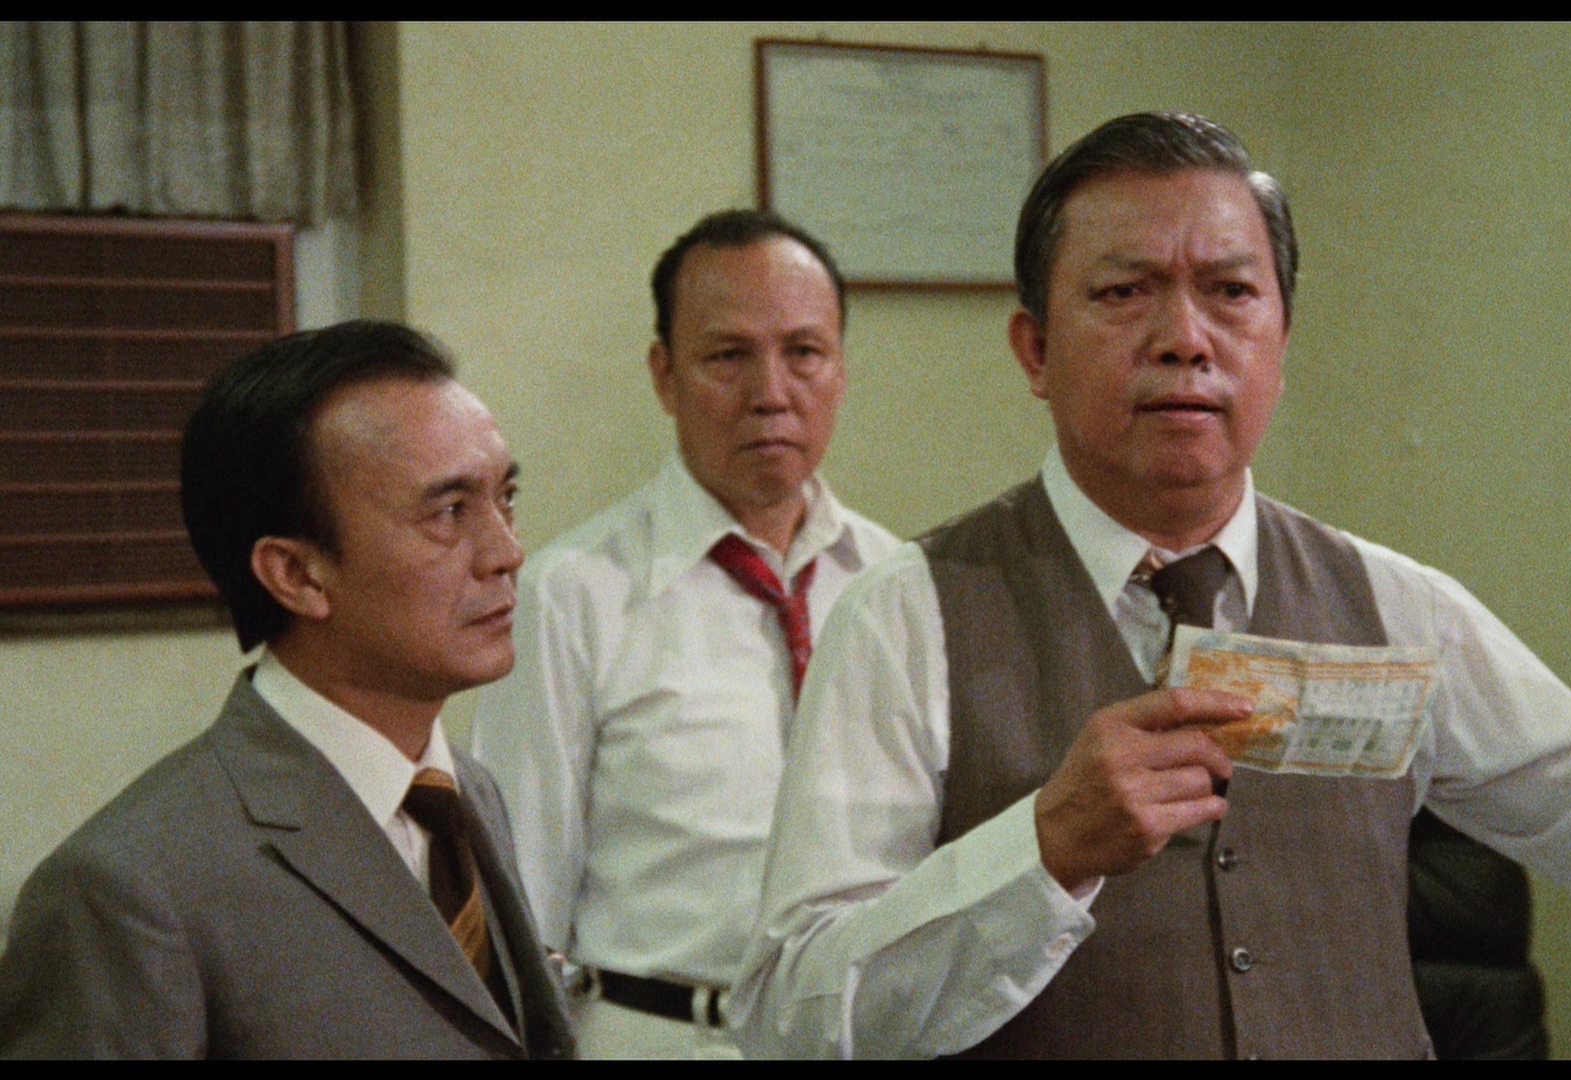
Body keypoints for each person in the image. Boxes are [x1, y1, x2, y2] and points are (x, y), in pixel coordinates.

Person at [731, 112, 1571, 1059]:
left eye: (1230, 293)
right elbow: (791, 1018)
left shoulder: (1393, 607)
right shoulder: (907, 615)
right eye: (1124, 292)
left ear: (1281, 340)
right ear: (1035, 350)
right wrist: (1041, 852)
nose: (1186, 338)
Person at [0, 320, 572, 1059]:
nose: (508, 551)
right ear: (297, 575)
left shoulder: (464, 791)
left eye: (506, 496)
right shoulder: (129, 889)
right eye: (449, 512)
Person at [469, 209, 899, 1059]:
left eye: (804, 352)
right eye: (728, 356)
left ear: (841, 369)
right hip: (663, 1036)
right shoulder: (573, 593)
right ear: (665, 376)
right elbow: (521, 904)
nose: (771, 392)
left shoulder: (896, 585)